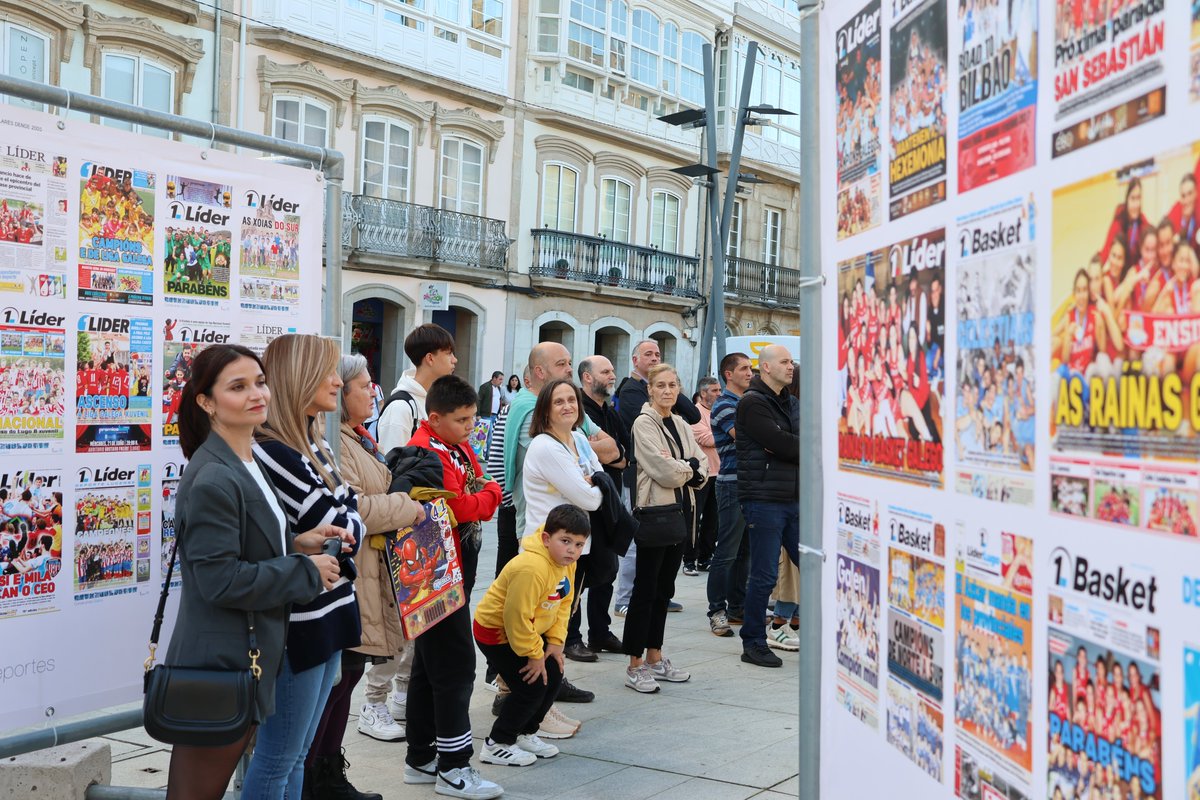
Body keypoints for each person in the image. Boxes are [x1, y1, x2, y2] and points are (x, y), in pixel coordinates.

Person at [163, 345, 348, 800]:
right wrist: (304, 569)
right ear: (206, 402)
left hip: (246, 659)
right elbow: (220, 580)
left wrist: (296, 542)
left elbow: (245, 545)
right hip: (220, 666)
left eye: (260, 382)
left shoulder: (245, 461)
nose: (256, 394)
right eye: (238, 387)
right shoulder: (213, 477)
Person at [244, 333, 370, 800]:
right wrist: (344, 519)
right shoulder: (276, 450)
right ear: (300, 378)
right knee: (279, 758)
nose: (338, 381)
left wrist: (344, 519)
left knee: (297, 756)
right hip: (301, 619)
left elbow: (348, 523)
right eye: (328, 372)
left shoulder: (315, 443)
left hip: (330, 611)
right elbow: (340, 521)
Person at [404, 375, 505, 800]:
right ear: (434, 418)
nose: (469, 426)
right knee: (456, 665)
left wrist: (482, 495)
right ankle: (454, 766)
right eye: (462, 419)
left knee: (430, 667)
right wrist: (486, 498)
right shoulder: (425, 449)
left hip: (453, 568)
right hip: (434, 570)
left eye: (472, 418)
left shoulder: (455, 444)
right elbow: (461, 504)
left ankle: (421, 755)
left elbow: (478, 481)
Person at [336, 354, 425, 746]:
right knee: (348, 670)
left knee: (357, 665)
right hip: (360, 566)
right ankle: (373, 708)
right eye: (364, 385)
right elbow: (354, 508)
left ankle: (329, 769)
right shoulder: (337, 441)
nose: (374, 392)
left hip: (377, 564)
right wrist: (408, 507)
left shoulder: (356, 434)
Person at [473, 504, 590, 767]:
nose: (572, 550)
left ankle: (525, 733)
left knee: (555, 673)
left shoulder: (566, 562)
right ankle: (498, 743)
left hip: (530, 629)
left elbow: (564, 601)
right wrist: (535, 655)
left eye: (579, 544)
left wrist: (557, 643)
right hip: (497, 632)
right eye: (565, 541)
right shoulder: (532, 567)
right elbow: (516, 618)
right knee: (532, 684)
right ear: (547, 539)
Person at [625, 364, 707, 693]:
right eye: (660, 385)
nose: (667, 391)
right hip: (655, 513)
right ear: (650, 390)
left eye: (673, 385)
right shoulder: (643, 424)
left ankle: (655, 656)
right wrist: (688, 467)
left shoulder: (682, 424)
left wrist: (688, 467)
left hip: (682, 514)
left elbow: (700, 465)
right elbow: (664, 471)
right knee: (645, 591)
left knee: (664, 591)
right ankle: (634, 664)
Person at [614, 340, 698, 616]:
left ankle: (660, 594)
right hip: (640, 482)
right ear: (635, 360)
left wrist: (669, 383)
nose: (653, 358)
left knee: (666, 548)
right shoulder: (630, 392)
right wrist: (687, 465)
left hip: (674, 492)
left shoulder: (672, 410)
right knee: (636, 544)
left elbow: (693, 416)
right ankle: (626, 598)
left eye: (658, 355)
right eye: (648, 354)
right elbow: (662, 462)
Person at [521, 379, 604, 663]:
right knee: (541, 620)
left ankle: (551, 682)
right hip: (546, 549)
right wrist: (592, 483)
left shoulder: (577, 438)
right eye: (559, 401)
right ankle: (520, 690)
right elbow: (591, 498)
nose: (568, 406)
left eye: (572, 400)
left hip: (572, 546)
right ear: (545, 410)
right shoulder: (547, 447)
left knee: (561, 618)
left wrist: (592, 482)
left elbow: (600, 475)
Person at [736, 345, 799, 669]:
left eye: (791, 362)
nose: (791, 367)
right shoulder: (752, 403)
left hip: (793, 497)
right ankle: (754, 642)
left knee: (813, 566)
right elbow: (783, 444)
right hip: (763, 499)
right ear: (767, 368)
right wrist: (789, 443)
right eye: (785, 362)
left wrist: (790, 443)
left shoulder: (791, 402)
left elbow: (799, 441)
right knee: (763, 574)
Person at [569, 355, 628, 659]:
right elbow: (577, 451)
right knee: (578, 572)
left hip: (609, 503)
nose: (612, 375)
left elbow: (622, 454)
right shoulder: (578, 411)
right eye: (606, 371)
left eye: (612, 371)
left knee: (607, 570)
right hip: (583, 505)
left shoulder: (611, 413)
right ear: (588, 378)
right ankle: (571, 637)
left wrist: (603, 452)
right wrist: (602, 451)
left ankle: (600, 632)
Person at [706, 352, 754, 637]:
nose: (750, 373)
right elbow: (746, 436)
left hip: (748, 484)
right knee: (726, 551)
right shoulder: (725, 404)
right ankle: (717, 611)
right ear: (728, 374)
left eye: (751, 368)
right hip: (731, 485)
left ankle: (738, 607)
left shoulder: (745, 402)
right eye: (744, 369)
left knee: (745, 551)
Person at [377, 323, 457, 453]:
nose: (455, 360)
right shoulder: (400, 408)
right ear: (430, 358)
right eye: (449, 353)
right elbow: (392, 467)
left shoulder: (437, 400)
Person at [684, 378, 720, 575]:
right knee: (693, 519)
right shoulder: (695, 414)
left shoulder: (717, 412)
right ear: (703, 393)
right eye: (714, 390)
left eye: (719, 389)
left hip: (719, 474)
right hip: (701, 475)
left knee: (712, 521)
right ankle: (689, 560)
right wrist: (726, 434)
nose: (719, 394)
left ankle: (705, 558)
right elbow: (708, 439)